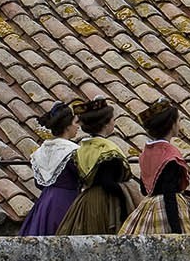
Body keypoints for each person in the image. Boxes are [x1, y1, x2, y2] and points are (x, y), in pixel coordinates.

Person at [119, 98, 190, 236]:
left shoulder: (146, 152)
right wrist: (177, 232)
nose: (180, 124)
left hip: (149, 206)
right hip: (168, 210)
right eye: (178, 120)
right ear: (171, 124)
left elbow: (145, 189)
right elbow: (169, 195)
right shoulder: (170, 155)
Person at [56, 98, 135, 236]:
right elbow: (107, 182)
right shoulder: (107, 148)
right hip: (105, 204)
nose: (114, 123)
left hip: (85, 201)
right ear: (106, 124)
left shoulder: (83, 148)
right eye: (113, 119)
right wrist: (126, 196)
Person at [18, 102, 80, 236]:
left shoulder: (41, 151)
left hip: (44, 203)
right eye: (76, 123)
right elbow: (82, 176)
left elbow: (39, 183)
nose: (78, 126)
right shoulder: (71, 150)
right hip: (66, 202)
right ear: (67, 126)